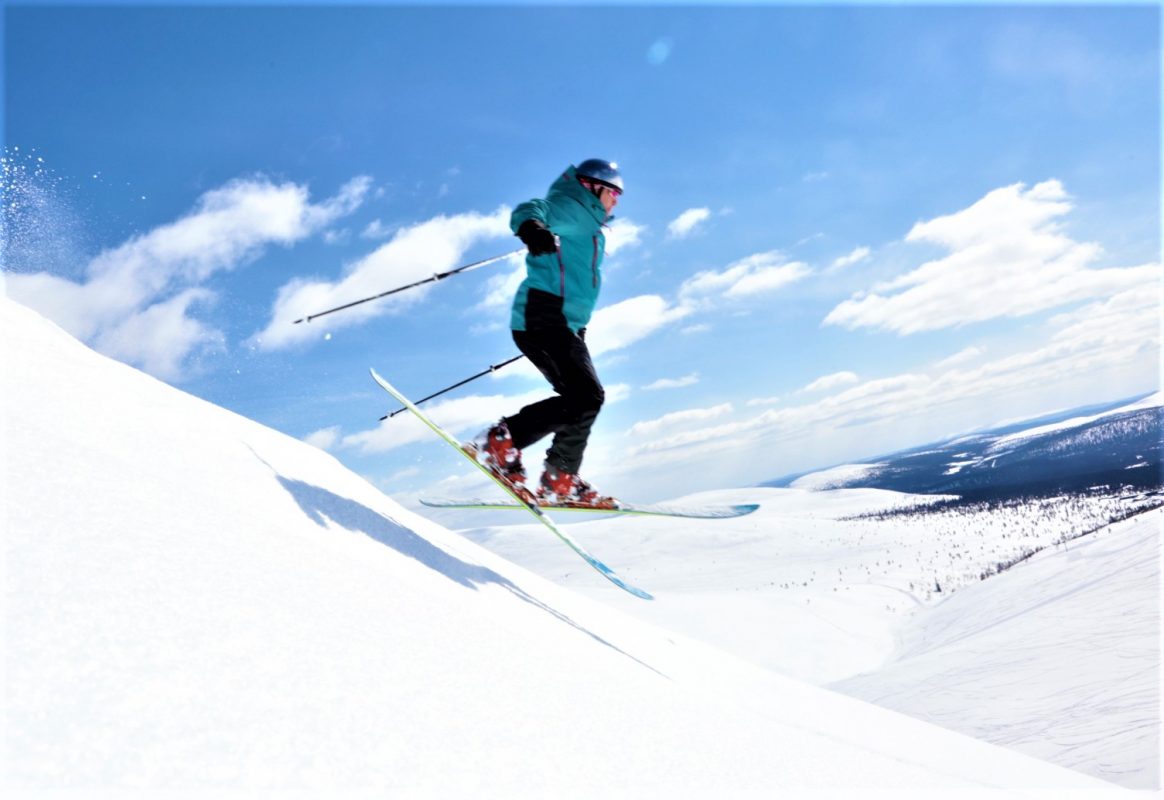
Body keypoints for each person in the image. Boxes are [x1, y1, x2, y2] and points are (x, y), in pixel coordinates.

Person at [464, 159, 623, 508]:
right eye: (612, 191)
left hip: (561, 324)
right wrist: (532, 227)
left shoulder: (588, 226)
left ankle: (559, 479)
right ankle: (502, 445)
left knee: (581, 402)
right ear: (591, 187)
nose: (616, 200)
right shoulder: (574, 208)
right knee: (586, 397)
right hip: (545, 316)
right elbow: (530, 208)